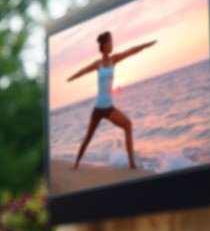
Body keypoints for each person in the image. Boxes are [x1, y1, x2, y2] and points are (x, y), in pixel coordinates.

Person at [67, 31, 157, 169]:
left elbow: (131, 51)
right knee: (87, 138)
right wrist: (71, 78)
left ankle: (132, 164)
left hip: (109, 109)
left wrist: (146, 45)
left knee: (128, 125)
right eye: (110, 42)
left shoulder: (114, 59)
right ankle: (76, 164)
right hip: (98, 109)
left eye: (112, 41)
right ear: (104, 45)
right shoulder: (97, 64)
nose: (112, 44)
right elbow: (83, 71)